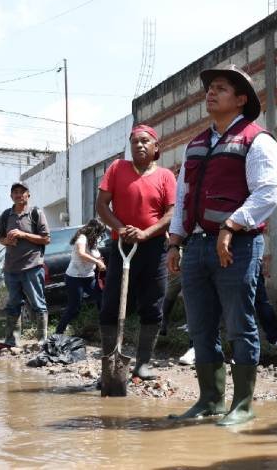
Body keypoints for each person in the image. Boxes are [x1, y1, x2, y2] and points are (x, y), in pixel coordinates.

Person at [167, 65, 277, 427]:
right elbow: (183, 194)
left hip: (238, 246)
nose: (210, 94)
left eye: (220, 88)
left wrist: (233, 223)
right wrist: (174, 241)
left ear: (241, 99)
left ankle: (243, 405)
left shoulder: (257, 140)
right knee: (200, 327)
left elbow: (267, 193)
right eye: (209, 89)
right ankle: (210, 399)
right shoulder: (196, 144)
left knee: (239, 324)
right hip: (197, 246)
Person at [97, 125, 176, 381]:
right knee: (112, 305)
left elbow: (172, 213)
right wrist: (121, 229)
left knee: (153, 304)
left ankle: (142, 363)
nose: (139, 145)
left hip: (153, 247)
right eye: (134, 142)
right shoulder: (117, 168)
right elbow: (101, 205)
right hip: (122, 246)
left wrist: (146, 232)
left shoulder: (165, 176)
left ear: (156, 148)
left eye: (145, 141)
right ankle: (110, 365)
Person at [0, 182, 51, 347]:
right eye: (15, 192)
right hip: (11, 268)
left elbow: (46, 239)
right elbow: (1, 239)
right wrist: (8, 240)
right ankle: (12, 341)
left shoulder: (36, 213)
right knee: (13, 304)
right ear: (11, 196)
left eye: (22, 192)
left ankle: (42, 340)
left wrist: (23, 234)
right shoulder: (6, 215)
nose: (18, 194)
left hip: (32, 266)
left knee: (37, 303)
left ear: (28, 195)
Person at [55, 219, 107, 337]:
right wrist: (97, 262)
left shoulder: (93, 241)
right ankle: (58, 334)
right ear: (94, 230)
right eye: (99, 232)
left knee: (102, 298)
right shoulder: (82, 238)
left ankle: (104, 329)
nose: (100, 235)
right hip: (75, 278)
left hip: (89, 278)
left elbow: (95, 255)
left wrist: (99, 261)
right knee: (74, 307)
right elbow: (81, 253)